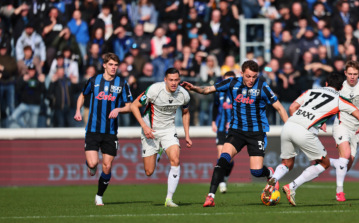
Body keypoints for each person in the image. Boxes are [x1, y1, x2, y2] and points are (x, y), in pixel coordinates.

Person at [264, 72, 359, 206]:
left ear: (326, 84)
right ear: (340, 88)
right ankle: (292, 187)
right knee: (324, 163)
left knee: (287, 163)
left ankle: (273, 179)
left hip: (288, 126)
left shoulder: (312, 91)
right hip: (304, 131)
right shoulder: (341, 99)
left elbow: (292, 107)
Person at [181, 60, 289, 207]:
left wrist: (289, 128)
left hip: (256, 133)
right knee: (222, 160)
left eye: (254, 77)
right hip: (236, 131)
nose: (251, 80)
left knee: (256, 172)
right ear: (242, 73)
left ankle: (269, 174)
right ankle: (210, 196)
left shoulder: (263, 86)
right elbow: (207, 90)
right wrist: (194, 88)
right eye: (248, 76)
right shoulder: (232, 83)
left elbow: (280, 108)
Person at [74, 53, 133, 206]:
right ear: (104, 65)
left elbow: (130, 106)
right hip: (93, 130)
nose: (114, 67)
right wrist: (77, 111)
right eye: (111, 64)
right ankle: (90, 166)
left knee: (107, 166)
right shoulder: (94, 81)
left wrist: (119, 110)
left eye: (116, 65)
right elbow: (82, 95)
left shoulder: (122, 83)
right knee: (93, 164)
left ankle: (99, 195)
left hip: (111, 132)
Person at [131, 68, 192, 207]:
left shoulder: (184, 94)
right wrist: (144, 127)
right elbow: (134, 106)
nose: (174, 83)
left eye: (176, 80)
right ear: (165, 79)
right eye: (171, 80)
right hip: (150, 131)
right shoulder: (154, 90)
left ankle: (169, 199)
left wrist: (187, 135)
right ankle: (158, 152)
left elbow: (186, 112)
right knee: (149, 171)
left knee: (176, 159)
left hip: (168, 130)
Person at [329, 60, 359, 202]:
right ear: (345, 73)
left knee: (348, 163)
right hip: (341, 124)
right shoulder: (340, 86)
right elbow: (328, 104)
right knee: (346, 154)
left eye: (355, 74)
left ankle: (323, 162)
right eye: (349, 74)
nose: (352, 77)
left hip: (356, 130)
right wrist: (321, 122)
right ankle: (340, 192)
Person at [212, 71, 235, 193]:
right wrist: (212, 121)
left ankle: (224, 177)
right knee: (221, 156)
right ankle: (221, 183)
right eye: (226, 80)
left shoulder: (238, 93)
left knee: (229, 159)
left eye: (231, 80)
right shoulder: (219, 92)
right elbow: (215, 106)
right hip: (221, 128)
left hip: (233, 130)